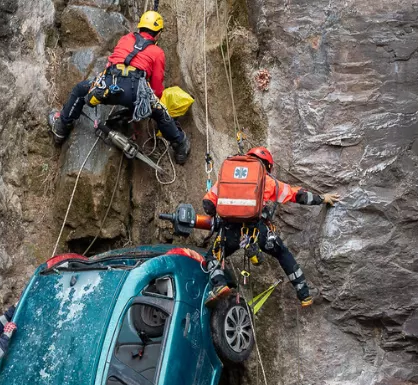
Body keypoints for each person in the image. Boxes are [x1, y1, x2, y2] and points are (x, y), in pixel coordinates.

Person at [200, 146, 339, 307]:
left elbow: (208, 204)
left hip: (229, 232)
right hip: (257, 231)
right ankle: (304, 294)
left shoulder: (227, 177)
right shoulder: (266, 180)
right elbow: (296, 195)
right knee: (282, 253)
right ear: (267, 165)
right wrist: (322, 198)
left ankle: (219, 284)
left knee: (212, 256)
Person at [49, 11, 191, 165]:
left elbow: (110, 63)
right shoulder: (157, 53)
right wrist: (149, 102)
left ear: (140, 27)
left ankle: (61, 127)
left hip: (109, 86)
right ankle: (180, 145)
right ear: (157, 34)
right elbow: (157, 88)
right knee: (160, 112)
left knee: (79, 90)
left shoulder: (126, 39)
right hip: (135, 92)